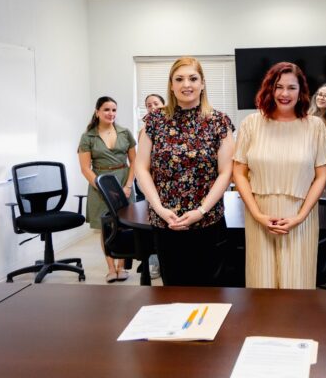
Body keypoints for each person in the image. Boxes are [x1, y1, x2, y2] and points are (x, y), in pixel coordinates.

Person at [134, 57, 235, 286]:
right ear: (171, 85)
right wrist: (159, 208)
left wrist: (201, 210)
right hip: (166, 221)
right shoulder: (155, 121)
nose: (186, 84)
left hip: (208, 221)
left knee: (210, 292)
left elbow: (226, 172)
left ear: (202, 83)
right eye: (179, 79)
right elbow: (141, 167)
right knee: (173, 291)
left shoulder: (219, 121)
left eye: (192, 78)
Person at [232, 62, 326, 289]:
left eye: (291, 87)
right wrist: (257, 214)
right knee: (261, 283)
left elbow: (321, 175)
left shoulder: (315, 126)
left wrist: (300, 216)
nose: (284, 94)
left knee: (298, 284)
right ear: (270, 89)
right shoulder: (251, 124)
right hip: (260, 216)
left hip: (300, 216)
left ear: (301, 91)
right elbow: (239, 172)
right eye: (278, 87)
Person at [77, 96, 136, 283]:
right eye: (106, 110)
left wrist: (127, 186)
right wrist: (103, 188)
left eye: (114, 110)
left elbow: (135, 162)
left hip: (123, 180)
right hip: (100, 183)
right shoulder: (88, 137)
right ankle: (111, 268)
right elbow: (85, 168)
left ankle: (122, 268)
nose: (111, 113)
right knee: (107, 228)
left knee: (126, 225)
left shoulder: (125, 133)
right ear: (97, 112)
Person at [137, 93, 165, 279]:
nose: (152, 107)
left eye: (155, 103)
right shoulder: (145, 130)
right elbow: (143, 162)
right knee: (155, 224)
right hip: (151, 183)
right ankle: (155, 262)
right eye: (148, 105)